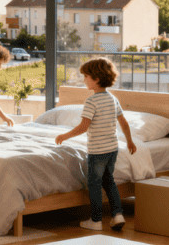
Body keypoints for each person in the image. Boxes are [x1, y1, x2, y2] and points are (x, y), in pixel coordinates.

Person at [54, 57, 137, 231]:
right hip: (112, 149)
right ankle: (118, 214)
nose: (84, 80)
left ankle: (96, 221)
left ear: (96, 79)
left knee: (94, 184)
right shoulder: (112, 99)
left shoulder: (91, 102)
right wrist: (129, 141)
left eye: (86, 76)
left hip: (97, 152)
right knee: (109, 181)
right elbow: (124, 123)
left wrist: (65, 135)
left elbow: (84, 127)